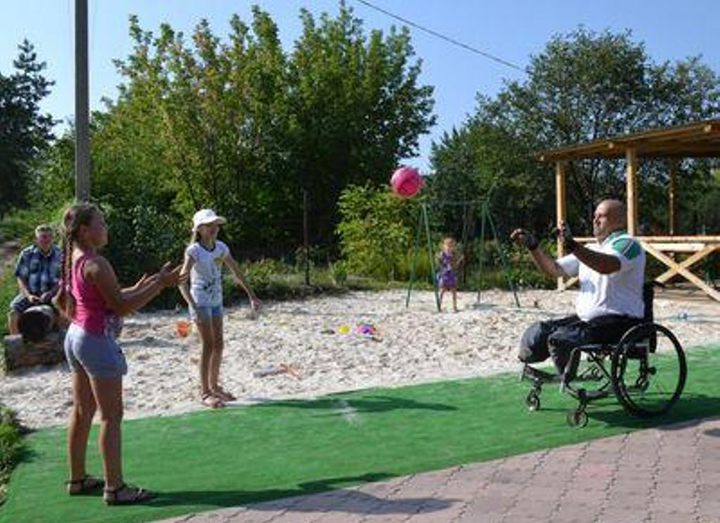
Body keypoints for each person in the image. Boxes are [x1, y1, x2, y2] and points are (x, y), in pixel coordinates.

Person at [56, 203, 184, 505]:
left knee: (82, 411)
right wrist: (161, 286)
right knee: (112, 417)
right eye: (101, 223)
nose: (106, 228)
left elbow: (110, 297)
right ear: (86, 231)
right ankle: (115, 489)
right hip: (95, 340)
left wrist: (150, 283)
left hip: (76, 336)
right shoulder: (97, 263)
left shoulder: (77, 257)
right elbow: (122, 306)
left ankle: (77, 479)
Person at [510, 199, 645, 380]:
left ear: (619, 221)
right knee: (539, 332)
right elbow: (554, 269)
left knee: (561, 338)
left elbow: (606, 265)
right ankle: (564, 375)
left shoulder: (628, 244)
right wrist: (533, 247)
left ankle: (567, 378)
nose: (595, 220)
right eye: (595, 216)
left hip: (621, 322)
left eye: (601, 216)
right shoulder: (591, 249)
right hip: (590, 322)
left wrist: (572, 245)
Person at [179, 209, 262, 409]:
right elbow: (181, 282)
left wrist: (252, 295)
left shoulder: (221, 248)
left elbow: (236, 271)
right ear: (199, 229)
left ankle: (215, 386)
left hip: (216, 301)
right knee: (207, 346)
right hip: (200, 303)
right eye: (209, 225)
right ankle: (205, 392)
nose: (214, 228)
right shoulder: (194, 251)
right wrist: (193, 305)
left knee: (219, 345)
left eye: (215, 224)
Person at [7, 224, 61, 335]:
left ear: (53, 238)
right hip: (30, 293)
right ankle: (17, 343)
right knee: (13, 311)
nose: (46, 240)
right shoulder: (27, 254)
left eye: (48, 237)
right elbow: (20, 278)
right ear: (37, 239)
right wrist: (28, 295)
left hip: (53, 293)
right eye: (42, 237)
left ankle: (61, 343)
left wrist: (51, 293)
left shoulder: (60, 254)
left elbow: (63, 280)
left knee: (65, 310)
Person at [436, 236, 463, 312]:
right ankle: (439, 306)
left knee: (454, 291)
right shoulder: (442, 254)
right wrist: (438, 259)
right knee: (442, 291)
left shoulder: (453, 255)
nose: (450, 248)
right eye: (448, 246)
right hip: (444, 275)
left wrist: (459, 260)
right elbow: (439, 261)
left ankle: (454, 306)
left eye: (451, 246)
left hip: (451, 275)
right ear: (444, 246)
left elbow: (454, 265)